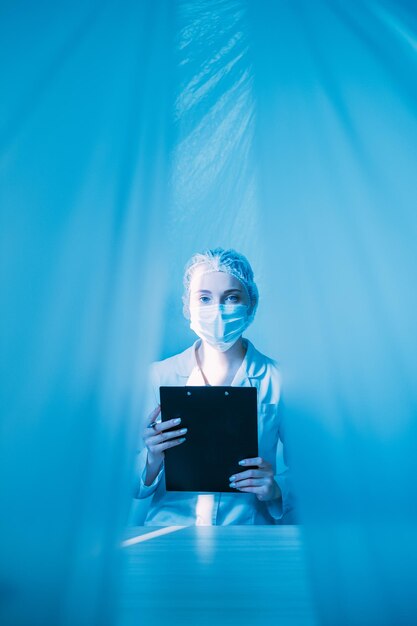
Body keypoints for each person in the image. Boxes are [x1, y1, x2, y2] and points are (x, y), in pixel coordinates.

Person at [133, 248, 293, 525]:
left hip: (249, 530)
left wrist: (276, 490)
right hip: (169, 533)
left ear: (251, 304)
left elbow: (309, 470)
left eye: (231, 298)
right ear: (188, 305)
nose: (217, 310)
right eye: (204, 298)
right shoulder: (159, 376)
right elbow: (130, 486)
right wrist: (152, 459)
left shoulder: (279, 380)